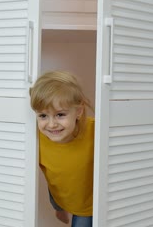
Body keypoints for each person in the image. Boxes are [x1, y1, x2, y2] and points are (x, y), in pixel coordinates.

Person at [29, 71, 94, 227]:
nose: (51, 124)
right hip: (60, 189)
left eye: (60, 115)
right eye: (43, 116)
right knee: (56, 187)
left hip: (86, 202)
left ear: (78, 111)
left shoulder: (94, 130)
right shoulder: (35, 139)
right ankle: (60, 208)